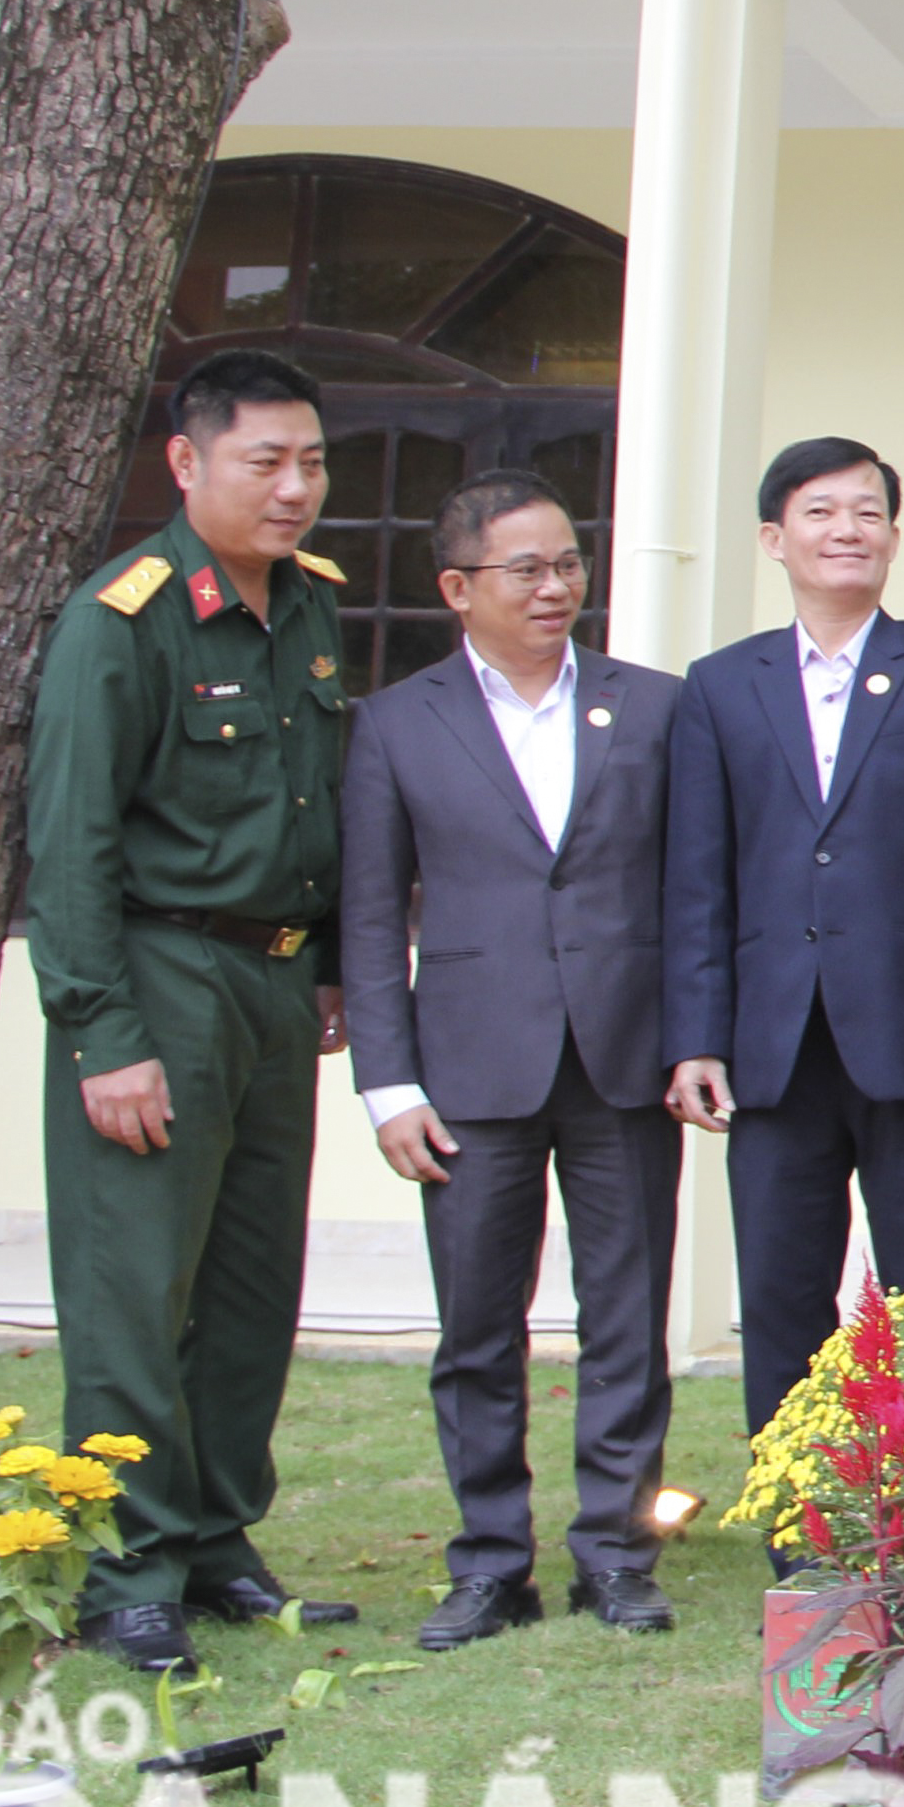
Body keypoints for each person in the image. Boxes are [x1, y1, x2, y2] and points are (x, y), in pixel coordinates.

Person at [23, 347, 363, 1674]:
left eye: (312, 461)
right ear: (187, 462)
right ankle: (126, 1564)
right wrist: (102, 1034)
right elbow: (71, 844)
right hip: (159, 978)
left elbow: (319, 802)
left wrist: (327, 963)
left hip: (275, 983)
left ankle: (220, 1536)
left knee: (247, 1277)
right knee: (133, 1281)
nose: (295, 488)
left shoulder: (312, 608)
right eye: (264, 461)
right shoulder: (124, 617)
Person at [340, 470, 683, 1649]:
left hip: (624, 1056)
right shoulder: (395, 723)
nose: (556, 587)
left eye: (569, 563)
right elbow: (373, 916)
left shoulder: (652, 708)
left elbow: (694, 893)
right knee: (477, 1328)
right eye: (526, 569)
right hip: (468, 1071)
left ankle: (616, 1552)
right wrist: (388, 1083)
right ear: (458, 588)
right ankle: (491, 1563)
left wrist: (696, 1042)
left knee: (626, 1316)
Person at [666, 438, 904, 1443]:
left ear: (894, 538)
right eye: (822, 512)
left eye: (867, 513)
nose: (848, 531)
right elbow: (697, 877)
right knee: (783, 1302)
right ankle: (805, 1535)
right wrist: (695, 1035)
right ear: (774, 539)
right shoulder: (720, 686)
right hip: (773, 1050)